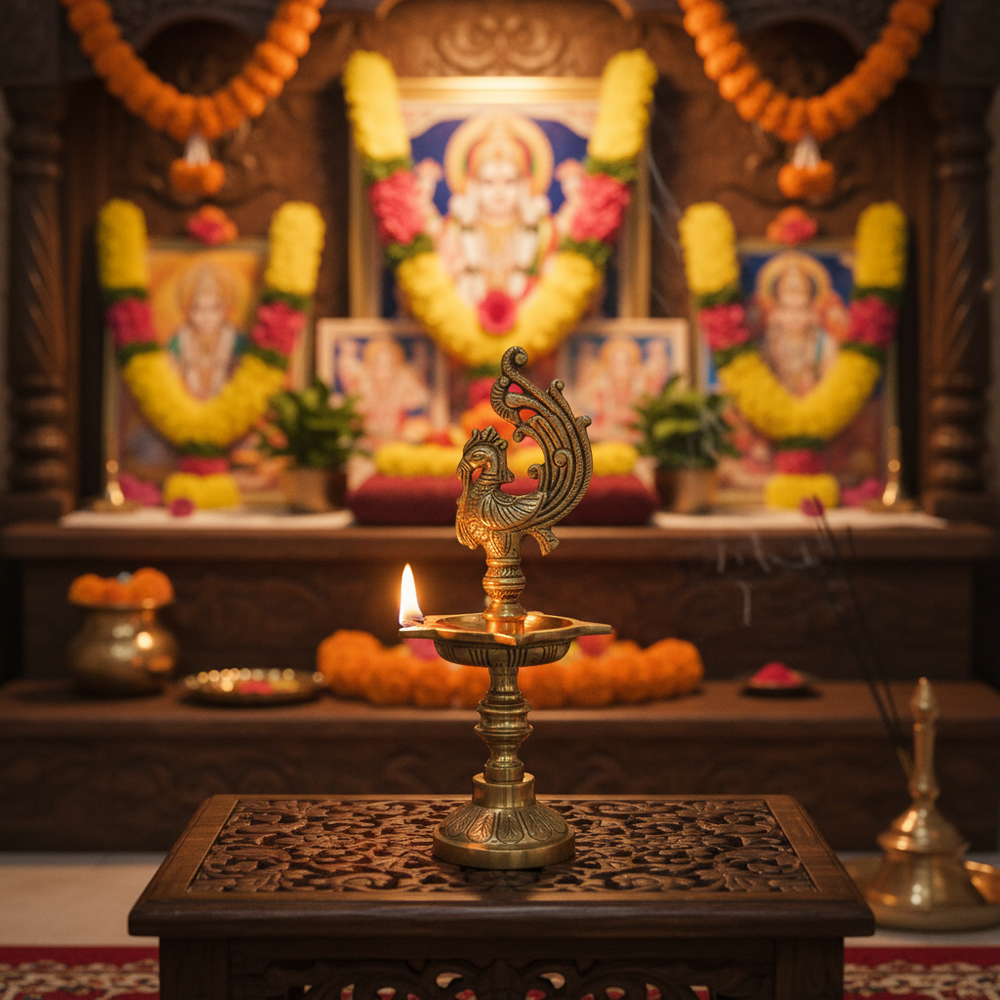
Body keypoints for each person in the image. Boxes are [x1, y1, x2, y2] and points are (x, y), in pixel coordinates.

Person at [420, 112, 565, 315]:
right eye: (488, 183)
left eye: (509, 182)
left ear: (524, 186)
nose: (499, 192)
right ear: (473, 186)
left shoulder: (544, 232)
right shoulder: (454, 231)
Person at [752, 251, 848, 396]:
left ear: (813, 313)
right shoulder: (766, 344)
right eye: (786, 309)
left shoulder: (826, 345)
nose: (794, 317)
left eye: (801, 309)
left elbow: (836, 387)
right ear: (775, 313)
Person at [167, 263, 246, 400]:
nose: (206, 317)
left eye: (213, 309)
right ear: (188, 311)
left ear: (224, 311)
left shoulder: (236, 341)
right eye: (198, 309)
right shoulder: (178, 341)